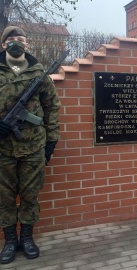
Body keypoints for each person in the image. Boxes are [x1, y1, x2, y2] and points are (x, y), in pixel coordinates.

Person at [0, 26, 60, 264]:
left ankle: (26, 238)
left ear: (27, 45)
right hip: (2, 149)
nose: (16, 43)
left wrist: (51, 142)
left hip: (34, 146)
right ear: (4, 44)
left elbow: (51, 107)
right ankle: (9, 241)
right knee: (4, 197)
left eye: (20, 40)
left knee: (30, 196)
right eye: (11, 40)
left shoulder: (39, 72)